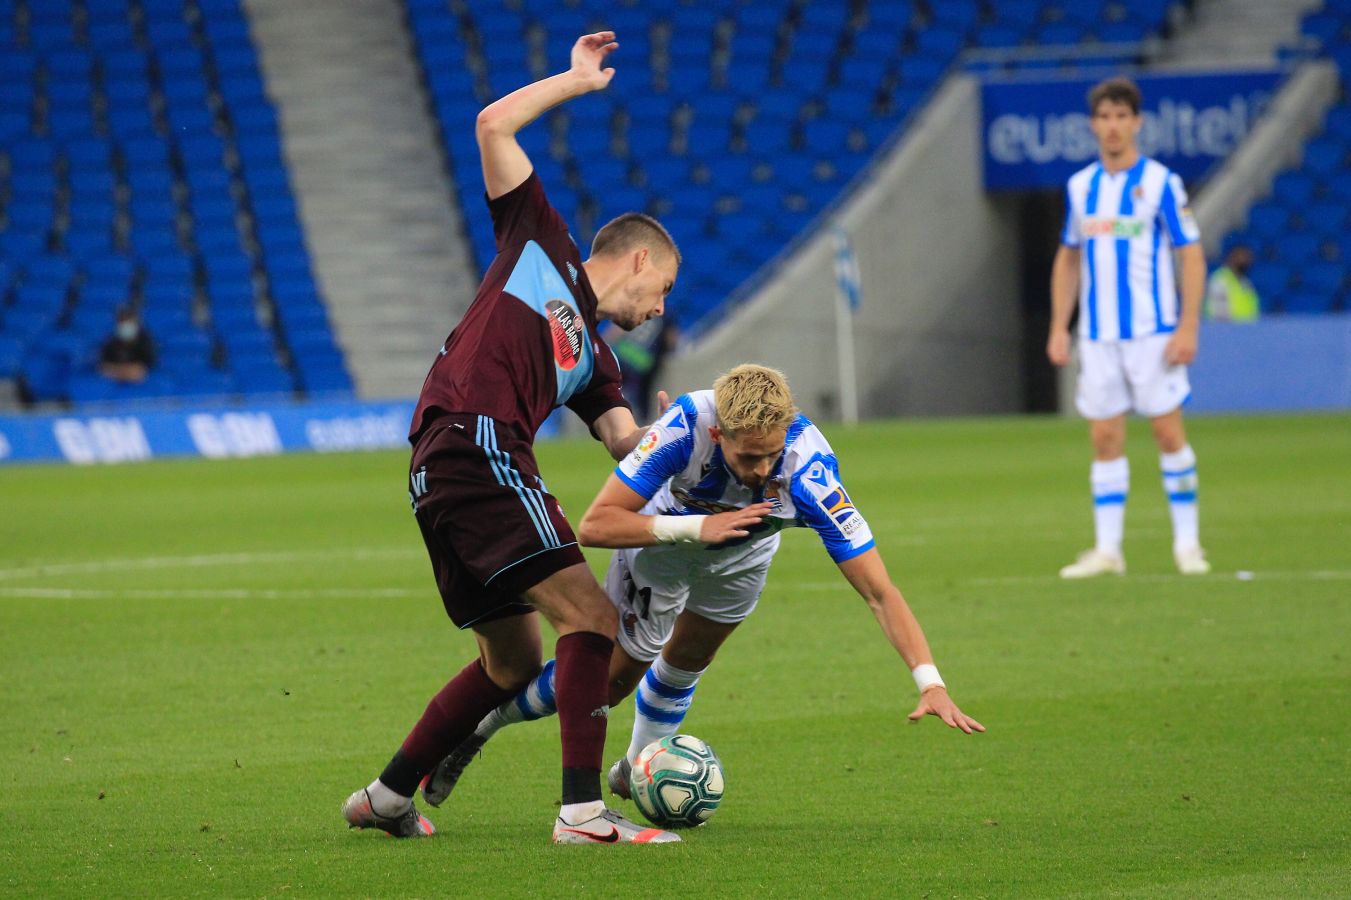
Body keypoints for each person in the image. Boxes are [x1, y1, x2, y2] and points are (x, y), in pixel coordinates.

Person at [342, 31, 685, 845]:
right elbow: (494, 126)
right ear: (637, 261)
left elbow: (622, 440)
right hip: (475, 444)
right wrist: (572, 80)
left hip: (448, 465)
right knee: (592, 622)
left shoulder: (596, 358)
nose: (661, 310)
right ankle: (581, 815)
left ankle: (386, 798)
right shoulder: (544, 245)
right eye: (662, 290)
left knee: (510, 664)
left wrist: (677, 436)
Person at [419, 364, 983, 810]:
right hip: (664, 548)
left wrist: (929, 681)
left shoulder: (812, 475)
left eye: (771, 454)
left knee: (688, 660)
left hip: (744, 559)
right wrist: (697, 527)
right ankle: (482, 727)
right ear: (720, 432)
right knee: (610, 684)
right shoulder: (685, 427)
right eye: (747, 455)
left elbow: (879, 591)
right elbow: (595, 525)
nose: (762, 470)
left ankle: (635, 771)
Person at [1048, 77, 1210, 578]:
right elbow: (1069, 259)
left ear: (1137, 122)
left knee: (1166, 431)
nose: (1113, 126)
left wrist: (1187, 326)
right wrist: (1060, 325)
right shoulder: (1081, 186)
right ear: (1093, 124)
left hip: (1153, 333)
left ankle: (1187, 544)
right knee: (1104, 438)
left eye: (1122, 116)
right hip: (1098, 336)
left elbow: (1191, 255)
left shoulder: (1161, 182)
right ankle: (1108, 550)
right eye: (1104, 117)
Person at [603, 313, 680, 420]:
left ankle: (612, 418)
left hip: (624, 353)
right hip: (644, 361)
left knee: (614, 390)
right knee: (641, 398)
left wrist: (605, 341)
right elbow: (671, 341)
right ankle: (639, 423)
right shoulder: (666, 316)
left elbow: (617, 330)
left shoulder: (641, 306)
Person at [98, 305, 156, 384]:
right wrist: (123, 372)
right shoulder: (110, 342)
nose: (126, 326)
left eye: (129, 322)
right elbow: (104, 367)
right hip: (113, 383)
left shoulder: (146, 342)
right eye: (123, 322)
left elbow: (145, 368)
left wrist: (120, 371)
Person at [1204, 244, 1260, 322]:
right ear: (1231, 258)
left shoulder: (1245, 282)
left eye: (1246, 258)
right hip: (1226, 329)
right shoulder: (1221, 279)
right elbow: (1218, 309)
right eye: (1240, 257)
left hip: (1247, 329)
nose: (1244, 261)